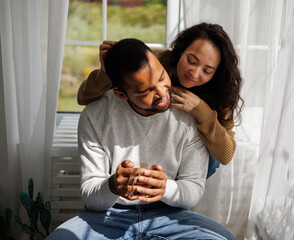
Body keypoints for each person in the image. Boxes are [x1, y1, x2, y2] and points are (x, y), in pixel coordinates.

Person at [46, 38, 236, 239]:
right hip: (108, 215)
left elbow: (194, 187)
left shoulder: (193, 115)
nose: (162, 93)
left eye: (162, 78)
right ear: (121, 94)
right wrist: (112, 186)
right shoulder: (95, 116)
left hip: (170, 212)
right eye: (146, 91)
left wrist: (165, 188)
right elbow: (91, 195)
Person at [77, 22, 244, 178]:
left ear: (216, 73)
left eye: (207, 71)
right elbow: (84, 97)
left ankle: (176, 193)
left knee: (210, 157)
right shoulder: (157, 61)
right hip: (143, 142)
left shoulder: (220, 93)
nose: (194, 73)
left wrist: (201, 111)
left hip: (184, 161)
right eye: (191, 61)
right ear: (181, 50)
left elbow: (226, 155)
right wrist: (106, 71)